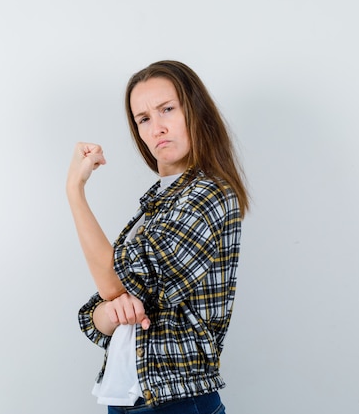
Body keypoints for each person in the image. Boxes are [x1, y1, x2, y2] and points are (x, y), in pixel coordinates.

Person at [66, 60, 249, 414]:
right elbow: (96, 316)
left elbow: (115, 280)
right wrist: (111, 308)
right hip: (127, 400)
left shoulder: (208, 194)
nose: (157, 128)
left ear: (195, 112)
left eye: (167, 109)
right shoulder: (156, 205)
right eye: (144, 119)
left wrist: (75, 190)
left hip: (174, 402)